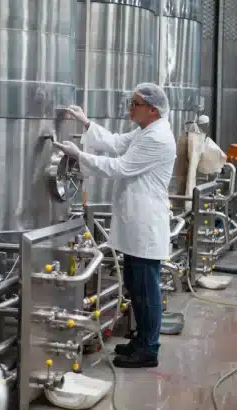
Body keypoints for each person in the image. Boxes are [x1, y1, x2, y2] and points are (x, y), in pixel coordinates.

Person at [53, 83, 176, 369]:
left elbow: (120, 167)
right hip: (136, 222)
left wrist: (79, 155)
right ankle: (142, 340)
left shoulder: (157, 138)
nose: (130, 108)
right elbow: (117, 143)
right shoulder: (146, 131)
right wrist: (87, 124)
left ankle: (148, 349)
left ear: (152, 109)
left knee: (146, 288)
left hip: (145, 224)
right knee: (136, 283)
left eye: (135, 104)